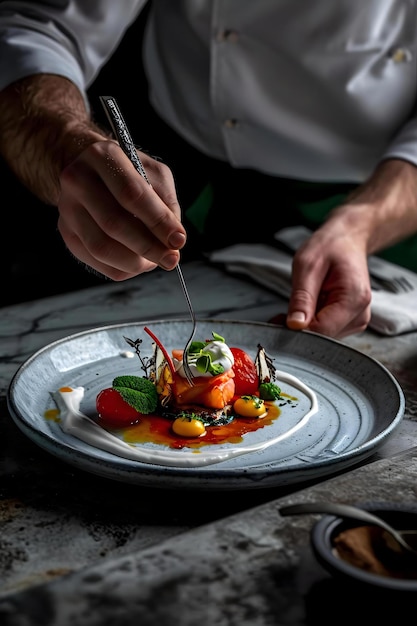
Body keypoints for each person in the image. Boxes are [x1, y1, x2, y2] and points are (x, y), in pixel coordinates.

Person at [1, 1, 417, 337]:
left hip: (379, 187)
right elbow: (36, 25)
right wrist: (64, 143)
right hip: (180, 174)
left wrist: (362, 224)